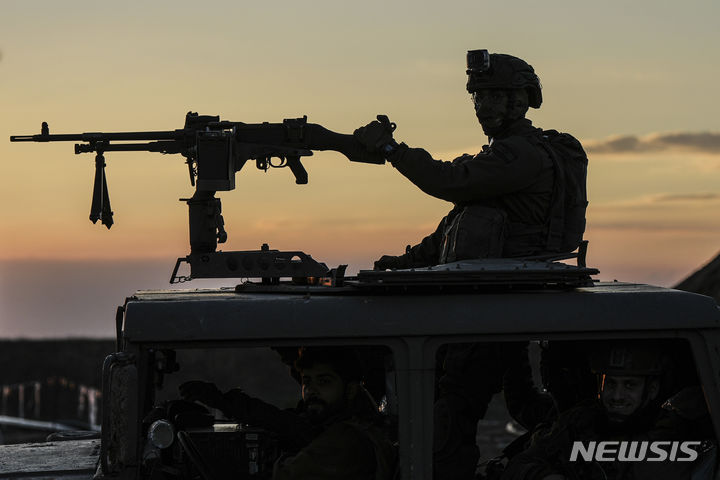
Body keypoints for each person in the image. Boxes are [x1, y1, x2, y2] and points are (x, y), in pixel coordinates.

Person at [352, 49, 587, 270]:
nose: (483, 107)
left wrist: (392, 149)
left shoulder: (520, 154)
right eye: (478, 97)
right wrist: (407, 262)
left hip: (509, 280)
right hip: (497, 275)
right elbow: (459, 221)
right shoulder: (503, 153)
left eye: (495, 96)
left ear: (518, 102)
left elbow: (450, 182)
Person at [500, 341, 715, 480]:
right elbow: (520, 464)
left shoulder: (679, 435)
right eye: (610, 384)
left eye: (629, 385)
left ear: (651, 389)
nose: (616, 396)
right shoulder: (579, 422)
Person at [180, 347, 396, 480]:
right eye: (307, 381)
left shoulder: (348, 439)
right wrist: (225, 402)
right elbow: (286, 423)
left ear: (350, 390)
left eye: (324, 381)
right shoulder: (329, 423)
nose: (311, 390)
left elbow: (285, 474)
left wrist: (274, 455)